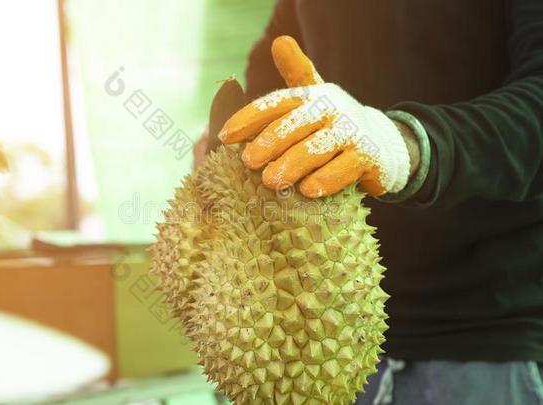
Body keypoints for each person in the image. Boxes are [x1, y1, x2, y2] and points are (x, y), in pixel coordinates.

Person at [197, 1, 543, 404]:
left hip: (485, 342)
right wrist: (240, 142)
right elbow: (273, 68)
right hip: (317, 336)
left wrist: (402, 144)